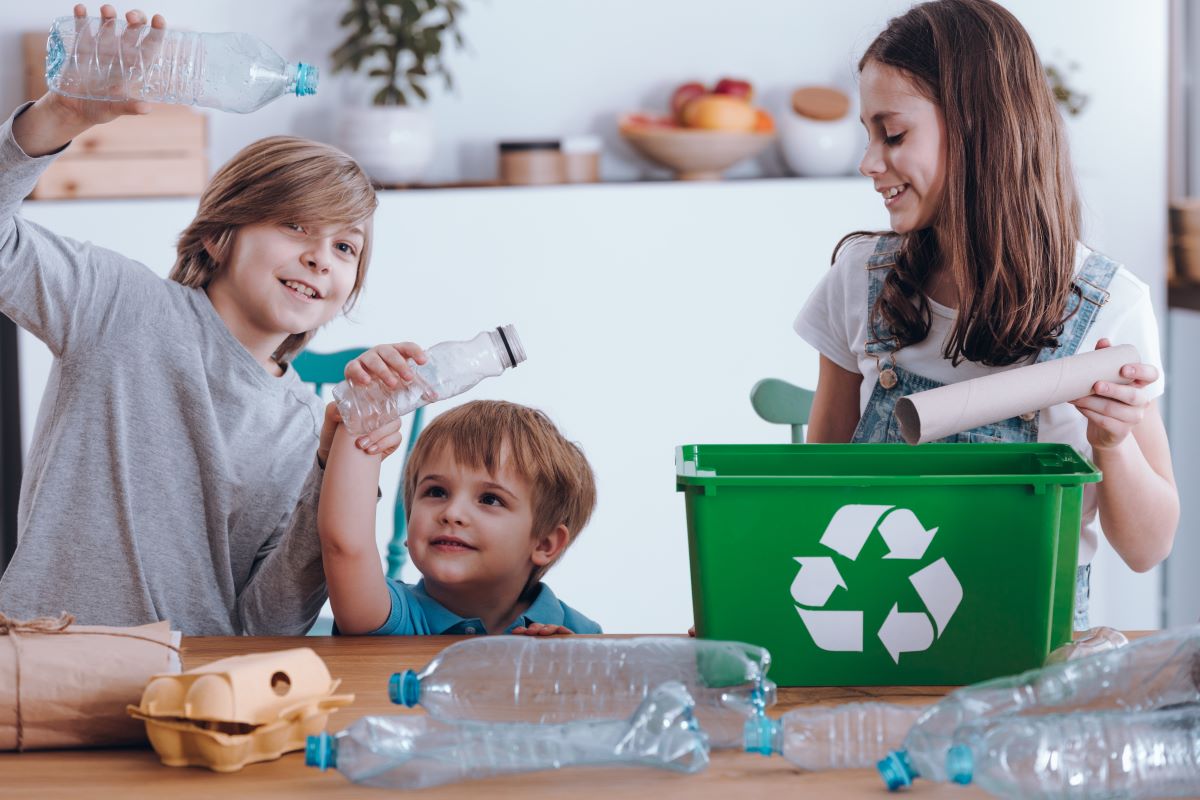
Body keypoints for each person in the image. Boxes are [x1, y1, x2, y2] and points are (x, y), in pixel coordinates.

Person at [0, 4, 422, 634]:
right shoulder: (116, 304)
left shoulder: (302, 426)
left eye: (345, 247)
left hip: (192, 691)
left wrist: (332, 470)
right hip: (42, 664)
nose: (319, 256)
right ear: (219, 237)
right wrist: (60, 115)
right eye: (295, 225)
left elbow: (265, 622)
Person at [794, 0, 1178, 629]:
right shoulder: (861, 281)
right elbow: (820, 495)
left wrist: (1113, 443)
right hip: (871, 635)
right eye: (868, 134)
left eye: (892, 134)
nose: (868, 162)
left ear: (978, 130)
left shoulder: (1107, 308)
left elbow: (1147, 548)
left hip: (1030, 661)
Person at [318, 399, 601, 635]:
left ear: (544, 544)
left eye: (490, 499)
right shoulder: (388, 615)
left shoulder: (581, 635)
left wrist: (572, 672)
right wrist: (365, 411)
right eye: (437, 492)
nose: (452, 513)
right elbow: (346, 546)